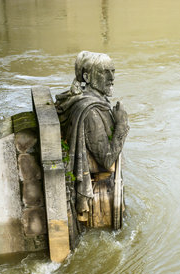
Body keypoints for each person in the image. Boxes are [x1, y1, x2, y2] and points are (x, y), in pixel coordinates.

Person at [55, 51, 130, 247]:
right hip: (98, 197)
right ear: (87, 77)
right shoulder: (92, 113)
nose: (112, 77)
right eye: (105, 72)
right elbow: (106, 159)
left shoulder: (86, 102)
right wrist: (122, 125)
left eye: (112, 71)